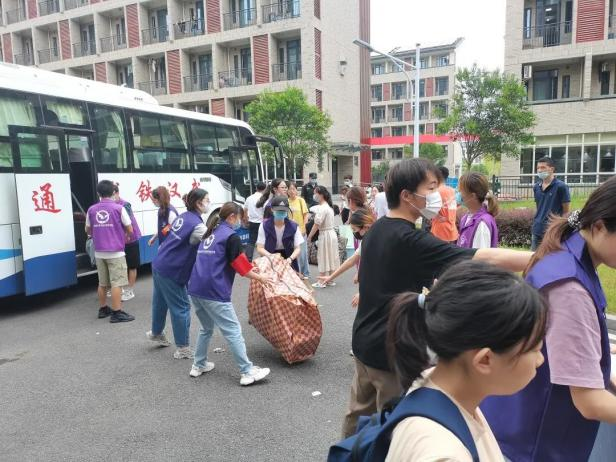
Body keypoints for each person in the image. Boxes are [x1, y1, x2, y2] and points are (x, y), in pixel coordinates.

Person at [341, 158, 533, 438]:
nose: (438, 196)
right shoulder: (410, 240)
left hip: (363, 342)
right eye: (431, 188)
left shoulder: (378, 228)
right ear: (407, 196)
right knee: (392, 432)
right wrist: (541, 257)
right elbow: (484, 257)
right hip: (391, 352)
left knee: (356, 421)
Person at [481, 177, 616, 462]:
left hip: (516, 425)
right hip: (533, 442)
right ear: (599, 227)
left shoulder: (567, 254)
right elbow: (590, 401)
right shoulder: (569, 287)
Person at [385, 260, 547, 462]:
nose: (540, 360)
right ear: (485, 360)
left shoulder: (437, 384)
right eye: (535, 349)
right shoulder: (445, 455)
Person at [187, 202, 273, 386]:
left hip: (195, 288)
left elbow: (232, 261)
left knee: (206, 328)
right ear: (232, 217)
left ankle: (198, 364)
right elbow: (240, 266)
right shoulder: (230, 236)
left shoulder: (211, 232)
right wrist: (261, 278)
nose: (242, 221)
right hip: (214, 290)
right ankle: (247, 371)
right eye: (241, 217)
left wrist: (252, 270)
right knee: (233, 331)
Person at [147, 189, 209, 359]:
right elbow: (213, 243)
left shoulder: (184, 216)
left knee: (160, 302)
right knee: (182, 307)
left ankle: (156, 333)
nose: (208, 203)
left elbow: (168, 232)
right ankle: (183, 348)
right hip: (172, 268)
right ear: (198, 203)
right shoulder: (198, 226)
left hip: (160, 262)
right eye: (207, 200)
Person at [85, 180, 135, 323]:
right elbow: (130, 229)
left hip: (99, 252)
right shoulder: (119, 208)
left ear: (98, 193)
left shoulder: (91, 209)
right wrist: (124, 235)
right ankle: (117, 312)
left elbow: (87, 229)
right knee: (116, 283)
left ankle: (103, 309)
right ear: (113, 192)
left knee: (102, 283)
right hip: (116, 252)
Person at [318, 207, 374, 291]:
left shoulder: (376, 240)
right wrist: (331, 277)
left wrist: (362, 292)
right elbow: (351, 260)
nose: (354, 233)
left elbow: (376, 269)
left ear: (366, 226)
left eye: (354, 229)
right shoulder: (366, 240)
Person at [532, 156, 571, 250]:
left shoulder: (561, 187)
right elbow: (539, 207)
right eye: (538, 168)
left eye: (543, 167)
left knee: (551, 257)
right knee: (534, 256)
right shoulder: (536, 187)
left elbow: (566, 212)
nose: (540, 170)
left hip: (553, 230)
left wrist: (561, 228)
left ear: (552, 169)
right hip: (537, 229)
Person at [256, 195, 303, 272]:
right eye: (278, 210)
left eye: (283, 211)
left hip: (288, 257)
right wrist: (271, 256)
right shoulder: (264, 225)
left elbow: (297, 248)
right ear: (272, 209)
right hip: (269, 257)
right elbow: (260, 248)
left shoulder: (293, 226)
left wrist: (290, 259)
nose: (281, 213)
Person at [112, 184, 141, 301]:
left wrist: (127, 235)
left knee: (131, 265)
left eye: (112, 194)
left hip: (130, 239)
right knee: (120, 266)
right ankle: (121, 289)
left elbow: (128, 222)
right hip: (118, 240)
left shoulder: (125, 205)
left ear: (117, 193)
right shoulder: (110, 205)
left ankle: (130, 290)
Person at [457, 172, 499, 249]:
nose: (459, 194)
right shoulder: (466, 218)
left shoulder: (482, 224)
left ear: (473, 196)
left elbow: (481, 255)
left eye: (461, 191)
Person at [308, 186, 340, 288]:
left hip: (325, 234)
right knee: (330, 256)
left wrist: (309, 236)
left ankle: (321, 281)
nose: (314, 195)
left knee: (323, 256)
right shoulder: (328, 207)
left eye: (315, 193)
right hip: (331, 233)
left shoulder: (322, 208)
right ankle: (330, 280)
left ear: (321, 195)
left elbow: (316, 224)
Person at [287, 182, 310, 279]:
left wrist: (304, 227)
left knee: (303, 253)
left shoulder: (301, 200)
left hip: (301, 230)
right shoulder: (286, 201)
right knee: (293, 253)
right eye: (290, 189)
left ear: (297, 190)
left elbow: (306, 215)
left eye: (294, 189)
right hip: (290, 231)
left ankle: (305, 273)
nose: (292, 191)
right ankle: (296, 273)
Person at [430, 166, 458, 243]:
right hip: (451, 229)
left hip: (439, 230)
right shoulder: (452, 191)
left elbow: (428, 211)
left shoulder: (435, 191)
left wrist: (436, 216)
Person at [243, 182, 266, 261]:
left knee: (251, 241)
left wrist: (246, 220)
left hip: (252, 222)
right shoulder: (264, 198)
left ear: (256, 188)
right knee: (263, 242)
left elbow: (245, 210)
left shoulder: (249, 198)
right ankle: (264, 260)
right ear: (265, 189)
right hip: (262, 223)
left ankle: (248, 260)